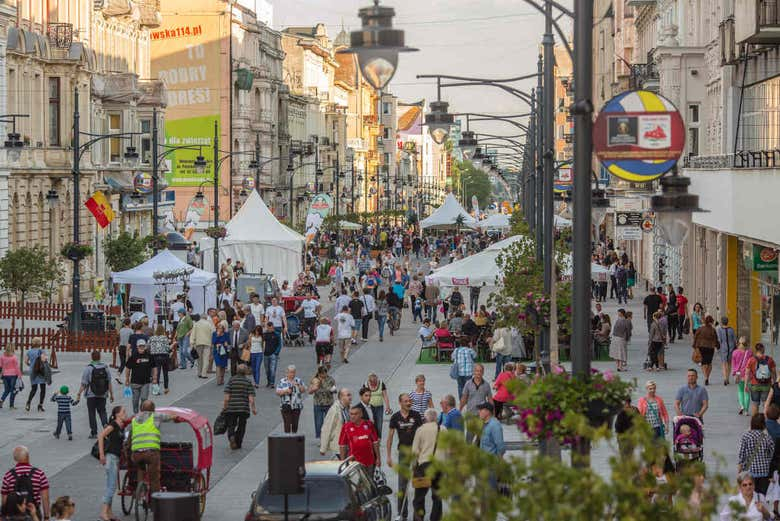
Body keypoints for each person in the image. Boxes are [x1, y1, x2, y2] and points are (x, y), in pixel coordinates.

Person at [387, 393, 423, 520]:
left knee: (419, 483)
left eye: (410, 401)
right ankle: (402, 514)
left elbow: (422, 434)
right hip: (403, 454)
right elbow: (390, 437)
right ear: (400, 403)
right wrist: (388, 456)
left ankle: (418, 515)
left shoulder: (416, 415)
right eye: (406, 401)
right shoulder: (395, 417)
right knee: (402, 485)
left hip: (416, 453)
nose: (409, 403)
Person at [129, 400, 176, 494]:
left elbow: (130, 435)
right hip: (151, 453)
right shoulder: (155, 416)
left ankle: (141, 490)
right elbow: (171, 417)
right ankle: (156, 499)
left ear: (141, 409)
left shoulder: (134, 419)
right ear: (153, 410)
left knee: (140, 468)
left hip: (136, 454)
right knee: (154, 477)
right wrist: (175, 417)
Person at [1, 446, 50, 521]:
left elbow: (4, 499)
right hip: (34, 512)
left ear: (15, 459)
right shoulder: (39, 474)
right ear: (28, 456)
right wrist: (46, 517)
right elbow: (45, 497)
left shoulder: (8, 475)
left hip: (14, 515)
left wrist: (3, 516)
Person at [411, 408, 442, 521]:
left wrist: (414, 467)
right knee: (437, 497)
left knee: (419, 497)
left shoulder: (421, 429)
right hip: (439, 468)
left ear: (425, 418)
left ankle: (419, 518)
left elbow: (415, 451)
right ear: (436, 418)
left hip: (424, 468)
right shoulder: (443, 429)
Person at [97, 405, 126, 521]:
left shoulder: (121, 427)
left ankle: (109, 512)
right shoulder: (113, 425)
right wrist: (102, 454)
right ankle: (103, 512)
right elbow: (101, 436)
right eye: (123, 412)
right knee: (111, 486)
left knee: (111, 485)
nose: (125, 413)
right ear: (117, 414)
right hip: (111, 457)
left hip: (116, 457)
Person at [738, 414, 776, 495]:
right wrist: (766, 461)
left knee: (750, 495)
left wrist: (739, 471)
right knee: (761, 496)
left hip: (749, 471)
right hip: (764, 472)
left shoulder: (746, 436)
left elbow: (741, 455)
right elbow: (771, 453)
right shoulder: (767, 437)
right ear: (763, 424)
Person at [222, 365, 257, 450]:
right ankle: (238, 442)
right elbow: (251, 399)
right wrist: (253, 409)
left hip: (231, 407)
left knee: (231, 425)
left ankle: (232, 436)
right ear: (245, 372)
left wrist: (224, 407)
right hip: (243, 408)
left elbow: (226, 397)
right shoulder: (248, 382)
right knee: (242, 425)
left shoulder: (231, 380)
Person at [339, 405, 380, 472]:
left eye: (355, 414)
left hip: (369, 461)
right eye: (351, 414)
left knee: (369, 481)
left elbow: (375, 442)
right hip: (354, 463)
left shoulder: (369, 424)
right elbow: (342, 446)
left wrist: (378, 458)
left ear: (361, 414)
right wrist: (342, 463)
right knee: (356, 482)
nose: (353, 416)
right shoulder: (346, 427)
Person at [461, 364, 493, 443]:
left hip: (482, 415)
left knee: (480, 436)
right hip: (471, 414)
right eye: (477, 371)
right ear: (474, 372)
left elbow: (490, 399)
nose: (478, 373)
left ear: (483, 372)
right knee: (469, 436)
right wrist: (459, 409)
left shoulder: (486, 385)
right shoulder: (468, 383)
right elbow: (464, 398)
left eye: (480, 371)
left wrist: (493, 413)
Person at [747, 343, 777, 416]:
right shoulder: (769, 359)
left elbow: (747, 373)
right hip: (766, 385)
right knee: (765, 404)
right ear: (763, 349)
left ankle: (755, 421)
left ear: (756, 350)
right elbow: (773, 373)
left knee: (755, 404)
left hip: (754, 384)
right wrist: (774, 383)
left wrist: (746, 384)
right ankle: (766, 421)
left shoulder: (751, 359)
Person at [320, 389, 352, 457]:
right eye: (348, 395)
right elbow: (327, 428)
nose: (350, 397)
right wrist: (323, 448)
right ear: (341, 397)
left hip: (348, 445)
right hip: (338, 446)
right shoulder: (334, 410)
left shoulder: (349, 408)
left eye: (350, 395)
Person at [124, 339, 153, 414]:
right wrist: (127, 379)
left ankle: (142, 413)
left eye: (143, 346)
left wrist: (155, 377)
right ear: (137, 347)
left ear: (145, 347)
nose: (141, 348)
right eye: (140, 347)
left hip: (145, 381)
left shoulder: (149, 356)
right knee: (135, 400)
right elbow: (128, 368)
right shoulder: (133, 356)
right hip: (135, 382)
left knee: (144, 398)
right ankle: (136, 413)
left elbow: (154, 367)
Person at [308, 365, 336, 439]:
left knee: (329, 422)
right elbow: (309, 391)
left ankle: (328, 437)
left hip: (328, 403)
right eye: (323, 373)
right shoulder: (315, 380)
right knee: (319, 423)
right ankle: (321, 438)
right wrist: (314, 389)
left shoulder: (330, 379)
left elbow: (334, 389)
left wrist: (333, 390)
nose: (325, 375)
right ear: (319, 373)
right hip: (318, 403)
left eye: (326, 373)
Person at [276, 365, 305, 433]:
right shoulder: (282, 381)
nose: (292, 374)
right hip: (286, 405)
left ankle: (294, 440)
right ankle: (287, 441)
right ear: (287, 373)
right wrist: (285, 391)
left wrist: (298, 385)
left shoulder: (298, 380)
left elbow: (304, 390)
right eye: (291, 372)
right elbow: (277, 392)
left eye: (293, 372)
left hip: (296, 406)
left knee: (295, 425)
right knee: (287, 424)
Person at [24, 339, 49, 413]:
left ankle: (28, 402)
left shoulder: (29, 351)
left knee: (34, 388)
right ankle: (40, 405)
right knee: (43, 389)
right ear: (39, 343)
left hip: (33, 371)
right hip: (41, 372)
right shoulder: (42, 351)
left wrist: (31, 365)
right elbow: (44, 360)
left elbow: (26, 361)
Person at [693, 315, 719, 385]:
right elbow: (716, 339)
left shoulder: (700, 328)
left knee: (703, 363)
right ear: (711, 322)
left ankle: (705, 377)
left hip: (701, 347)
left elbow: (695, 337)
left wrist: (694, 346)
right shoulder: (713, 330)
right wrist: (718, 346)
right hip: (710, 347)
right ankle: (707, 376)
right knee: (709, 363)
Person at [147, 324, 171, 395]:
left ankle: (156, 390)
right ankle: (166, 388)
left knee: (156, 374)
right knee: (165, 373)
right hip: (164, 356)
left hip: (154, 357)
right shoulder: (164, 338)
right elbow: (167, 348)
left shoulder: (152, 338)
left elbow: (148, 347)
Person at [190, 314, 215, 379]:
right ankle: (204, 373)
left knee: (199, 359)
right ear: (206, 318)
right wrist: (213, 342)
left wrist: (192, 343)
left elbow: (193, 334)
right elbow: (213, 333)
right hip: (207, 343)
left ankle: (199, 372)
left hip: (198, 343)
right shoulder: (209, 324)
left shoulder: (196, 324)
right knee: (206, 358)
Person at [733, 337, 752, 415]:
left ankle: (742, 406)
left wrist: (734, 373)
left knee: (740, 391)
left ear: (738, 343)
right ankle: (746, 410)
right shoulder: (750, 353)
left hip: (738, 374)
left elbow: (734, 365)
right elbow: (752, 364)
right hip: (748, 374)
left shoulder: (735, 352)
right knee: (747, 391)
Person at [0, 344, 22, 409]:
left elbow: (0, 366)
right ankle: (11, 405)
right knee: (13, 390)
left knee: (6, 390)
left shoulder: (2, 357)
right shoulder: (14, 357)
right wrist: (19, 375)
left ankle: (1, 400)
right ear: (12, 349)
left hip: (5, 375)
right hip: (13, 375)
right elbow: (16, 367)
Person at [717, 316, 737, 386]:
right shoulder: (731, 329)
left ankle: (725, 378)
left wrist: (718, 349)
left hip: (723, 348)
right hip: (731, 347)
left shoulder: (719, 330)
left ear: (722, 322)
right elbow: (734, 339)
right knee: (729, 363)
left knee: (724, 364)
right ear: (727, 322)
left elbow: (719, 340)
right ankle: (728, 378)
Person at [263, 321, 281, 388]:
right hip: (266, 354)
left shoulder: (277, 334)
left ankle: (272, 383)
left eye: (271, 328)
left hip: (273, 354)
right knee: (267, 370)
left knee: (273, 370)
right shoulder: (265, 334)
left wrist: (276, 352)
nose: (270, 329)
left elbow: (279, 344)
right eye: (269, 328)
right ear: (267, 327)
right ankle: (269, 381)